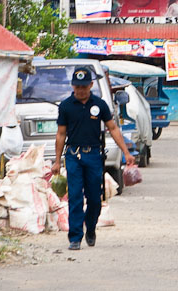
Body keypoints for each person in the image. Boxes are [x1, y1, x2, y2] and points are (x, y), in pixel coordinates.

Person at [50, 66, 136, 251]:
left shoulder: (100, 105)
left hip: (94, 155)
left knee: (95, 198)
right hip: (73, 155)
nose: (81, 90)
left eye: (84, 86)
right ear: (73, 86)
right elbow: (60, 134)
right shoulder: (66, 106)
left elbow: (113, 128)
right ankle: (75, 237)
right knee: (74, 197)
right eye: (77, 87)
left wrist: (126, 153)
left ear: (90, 85)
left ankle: (90, 228)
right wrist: (57, 161)